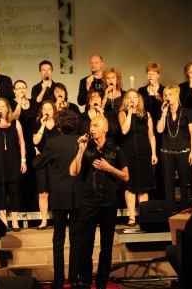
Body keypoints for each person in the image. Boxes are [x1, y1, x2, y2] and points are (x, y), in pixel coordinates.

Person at [70, 116, 129, 289]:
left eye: (95, 125)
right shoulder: (85, 148)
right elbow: (73, 172)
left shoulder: (116, 150)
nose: (92, 128)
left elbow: (126, 176)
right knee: (85, 245)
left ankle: (102, 282)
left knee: (106, 246)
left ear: (105, 129)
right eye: (90, 125)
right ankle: (86, 281)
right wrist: (80, 150)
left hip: (108, 202)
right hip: (88, 202)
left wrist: (109, 168)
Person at [33, 110, 81, 289]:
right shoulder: (81, 141)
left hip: (59, 196)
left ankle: (59, 281)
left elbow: (37, 164)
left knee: (58, 238)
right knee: (76, 238)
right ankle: (74, 280)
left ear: (59, 125)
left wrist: (39, 154)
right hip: (77, 195)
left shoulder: (53, 143)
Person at [0, 98, 27, 231]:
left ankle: (14, 221)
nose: (0, 109)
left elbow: (22, 142)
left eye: (3, 106)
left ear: (8, 108)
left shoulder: (15, 123)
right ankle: (4, 220)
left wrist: (23, 160)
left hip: (13, 160)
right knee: (0, 191)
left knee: (14, 190)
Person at [118, 89, 157, 226]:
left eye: (134, 97)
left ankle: (144, 216)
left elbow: (151, 135)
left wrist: (153, 153)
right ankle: (132, 217)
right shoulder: (122, 114)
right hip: (128, 152)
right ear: (126, 100)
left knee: (143, 186)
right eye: (129, 97)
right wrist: (129, 113)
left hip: (144, 152)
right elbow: (124, 130)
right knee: (130, 186)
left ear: (138, 99)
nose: (132, 99)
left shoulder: (146, 115)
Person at [156, 85, 192, 212]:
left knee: (185, 182)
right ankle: (170, 211)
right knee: (168, 183)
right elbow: (159, 129)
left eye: (170, 94)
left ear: (177, 95)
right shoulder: (163, 112)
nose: (167, 97)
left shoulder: (187, 112)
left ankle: (186, 211)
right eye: (165, 95)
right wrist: (163, 113)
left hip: (183, 150)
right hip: (166, 151)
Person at [10, 80, 39, 211]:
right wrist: (19, 104)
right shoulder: (11, 103)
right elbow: (13, 118)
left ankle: (32, 207)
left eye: (23, 87)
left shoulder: (33, 103)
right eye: (18, 88)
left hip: (32, 143)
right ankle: (20, 207)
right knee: (20, 175)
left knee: (33, 175)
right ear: (14, 90)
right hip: (18, 144)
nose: (21, 90)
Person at [33, 101, 60, 229]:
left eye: (49, 108)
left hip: (57, 161)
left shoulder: (59, 124)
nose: (47, 111)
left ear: (54, 110)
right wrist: (42, 126)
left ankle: (58, 219)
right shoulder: (38, 123)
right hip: (42, 160)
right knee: (43, 193)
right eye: (44, 109)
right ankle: (44, 220)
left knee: (56, 191)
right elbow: (35, 141)